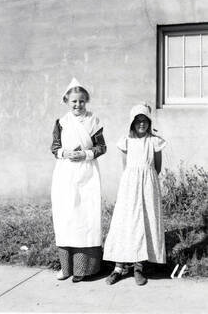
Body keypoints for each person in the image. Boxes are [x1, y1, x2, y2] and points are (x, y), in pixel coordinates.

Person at [103, 103, 166, 286]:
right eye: (137, 120)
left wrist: (146, 181)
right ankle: (119, 267)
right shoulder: (126, 141)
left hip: (148, 186)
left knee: (144, 224)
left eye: (144, 120)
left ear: (149, 122)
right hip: (129, 187)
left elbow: (157, 167)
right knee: (125, 223)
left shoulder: (154, 141)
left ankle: (139, 267)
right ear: (132, 122)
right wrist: (133, 182)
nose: (141, 124)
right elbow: (126, 167)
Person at [51, 77, 106, 283]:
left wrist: (86, 154)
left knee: (85, 216)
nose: (78, 105)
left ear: (87, 101)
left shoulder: (94, 121)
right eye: (74, 101)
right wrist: (65, 154)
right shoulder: (61, 122)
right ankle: (66, 268)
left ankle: (84, 269)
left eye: (82, 101)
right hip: (65, 173)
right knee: (66, 216)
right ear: (66, 101)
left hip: (87, 173)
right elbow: (54, 147)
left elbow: (102, 147)